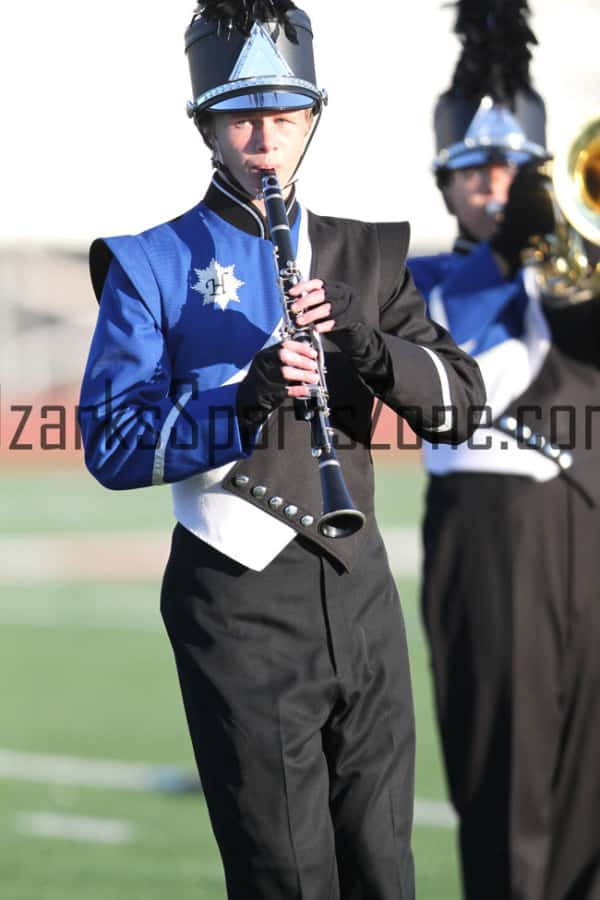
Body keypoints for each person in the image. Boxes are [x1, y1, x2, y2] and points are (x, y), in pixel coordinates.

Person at [79, 2, 484, 897]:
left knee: (386, 869)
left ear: (314, 118)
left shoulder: (368, 256)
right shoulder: (149, 263)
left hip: (362, 591)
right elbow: (111, 445)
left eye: (286, 113)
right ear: (207, 127)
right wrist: (246, 394)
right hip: (236, 604)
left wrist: (372, 349)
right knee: (286, 877)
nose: (265, 134)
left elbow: (461, 406)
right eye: (241, 114)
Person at [409, 2, 600, 899]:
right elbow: (464, 354)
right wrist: (511, 251)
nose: (495, 188)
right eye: (476, 174)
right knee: (507, 779)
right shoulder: (425, 282)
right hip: (490, 539)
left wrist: (561, 247)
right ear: (445, 186)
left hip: (591, 527)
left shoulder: (579, 268)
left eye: (515, 172)